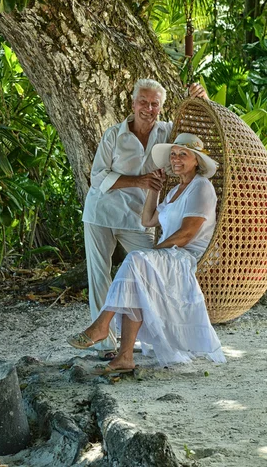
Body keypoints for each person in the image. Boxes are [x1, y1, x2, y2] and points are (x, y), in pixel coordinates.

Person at [69, 133, 226, 373]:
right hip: (168, 255)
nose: (176, 159)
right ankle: (125, 357)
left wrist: (153, 253)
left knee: (136, 260)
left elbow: (186, 235)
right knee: (136, 274)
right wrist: (155, 189)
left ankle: (102, 325)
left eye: (183, 154)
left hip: (184, 257)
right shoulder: (175, 191)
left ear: (197, 161)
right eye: (173, 154)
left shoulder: (201, 188)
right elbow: (148, 219)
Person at [82, 79, 207, 360]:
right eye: (143, 102)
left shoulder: (167, 133)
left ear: (160, 107)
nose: (148, 109)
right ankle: (106, 346)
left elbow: (197, 139)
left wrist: (202, 98)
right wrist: (139, 181)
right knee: (99, 277)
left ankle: (157, 339)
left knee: (150, 271)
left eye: (154, 104)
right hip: (101, 212)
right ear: (133, 103)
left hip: (139, 219)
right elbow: (98, 177)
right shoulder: (114, 135)